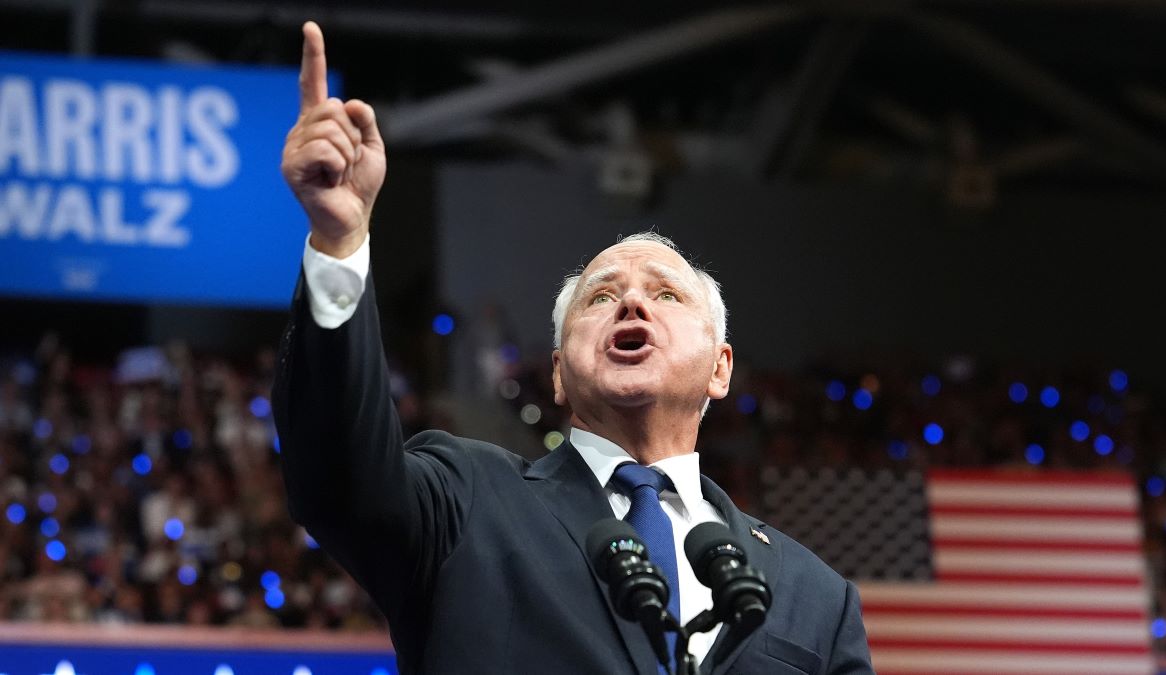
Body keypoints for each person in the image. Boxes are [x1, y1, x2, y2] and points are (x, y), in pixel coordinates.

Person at [274, 21, 873, 675]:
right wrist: (340, 244)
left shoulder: (817, 597)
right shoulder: (468, 499)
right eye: (600, 296)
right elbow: (339, 480)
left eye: (667, 294)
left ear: (720, 368)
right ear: (559, 373)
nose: (632, 303)